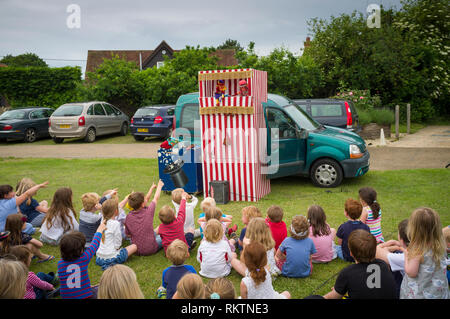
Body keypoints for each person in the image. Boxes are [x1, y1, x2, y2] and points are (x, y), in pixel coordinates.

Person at [323, 229, 397, 299]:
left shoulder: (347, 273)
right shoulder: (383, 264)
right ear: (375, 250)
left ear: (351, 253)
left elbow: (334, 296)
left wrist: (336, 291)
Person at [400, 207, 448, 299]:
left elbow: (411, 272)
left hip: (419, 294)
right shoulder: (440, 245)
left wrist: (406, 256)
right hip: (438, 292)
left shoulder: (417, 250)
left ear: (414, 229)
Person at [57, 221, 106, 299]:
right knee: (103, 288)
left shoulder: (60, 264)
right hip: (86, 296)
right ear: (81, 250)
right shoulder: (84, 258)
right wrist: (100, 230)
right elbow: (95, 244)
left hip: (66, 297)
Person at [96, 199, 137, 271]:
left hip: (99, 258)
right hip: (111, 258)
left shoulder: (102, 220)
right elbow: (118, 244)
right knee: (134, 246)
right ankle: (113, 262)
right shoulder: (116, 224)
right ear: (116, 211)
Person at [125, 180, 164, 256]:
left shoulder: (128, 217)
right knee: (164, 236)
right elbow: (155, 198)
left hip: (136, 249)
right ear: (142, 204)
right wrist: (159, 186)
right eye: (145, 199)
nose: (147, 199)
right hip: (151, 248)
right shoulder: (148, 211)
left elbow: (128, 235)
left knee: (156, 230)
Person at [376, 219, 409, 297]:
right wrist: (400, 247)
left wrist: (387, 244)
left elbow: (376, 252)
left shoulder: (402, 258)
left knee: (384, 262)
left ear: (401, 239)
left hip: (405, 294)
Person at [335, 198, 371, 262]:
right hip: (361, 256)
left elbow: (340, 243)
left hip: (347, 256)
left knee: (335, 247)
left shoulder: (343, 227)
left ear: (346, 213)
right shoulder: (366, 227)